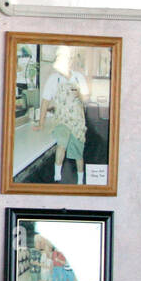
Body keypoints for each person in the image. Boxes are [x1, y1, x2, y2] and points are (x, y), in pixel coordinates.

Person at [38, 46, 89, 184]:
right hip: (61, 120)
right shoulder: (53, 79)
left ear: (71, 61)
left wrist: (80, 93)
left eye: (66, 59)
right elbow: (45, 102)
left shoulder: (79, 78)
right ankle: (57, 176)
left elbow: (86, 99)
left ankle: (80, 180)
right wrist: (41, 123)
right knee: (61, 144)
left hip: (78, 122)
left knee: (78, 152)